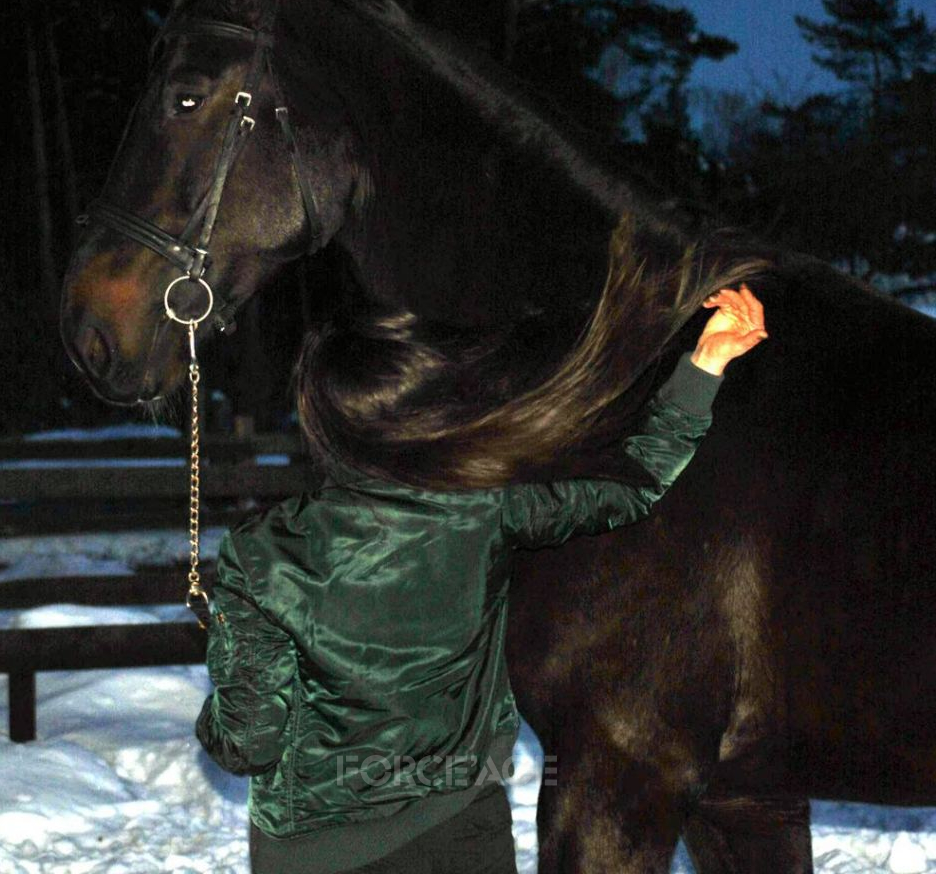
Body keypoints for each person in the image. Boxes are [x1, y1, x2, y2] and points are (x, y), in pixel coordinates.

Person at [195, 284, 768, 874]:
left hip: (316, 850)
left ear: (324, 422)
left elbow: (250, 741)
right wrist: (705, 365)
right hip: (461, 830)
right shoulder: (483, 509)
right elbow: (634, 482)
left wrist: (215, 720)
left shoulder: (261, 555)